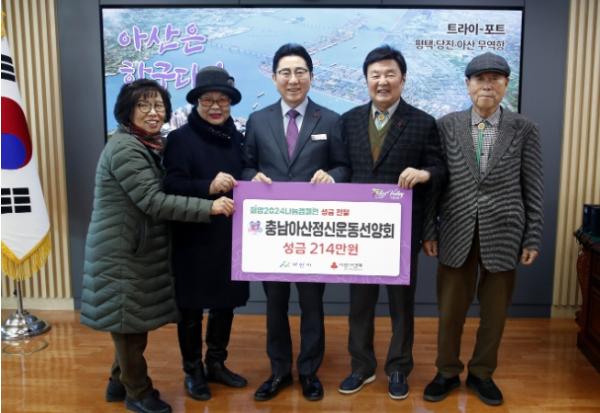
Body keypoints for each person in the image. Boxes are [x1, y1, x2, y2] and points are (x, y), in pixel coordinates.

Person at [80, 79, 234, 413]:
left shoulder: (147, 144)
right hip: (121, 253)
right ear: (127, 111)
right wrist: (209, 206)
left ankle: (118, 382)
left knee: (130, 323)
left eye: (158, 106)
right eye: (143, 106)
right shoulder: (124, 149)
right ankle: (138, 393)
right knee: (129, 327)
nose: (153, 113)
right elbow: (153, 201)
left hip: (134, 249)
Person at [422, 52, 543, 406]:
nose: (487, 85)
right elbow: (436, 183)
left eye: (495, 79)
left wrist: (533, 235)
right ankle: (446, 371)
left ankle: (481, 373)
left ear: (506, 84)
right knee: (450, 312)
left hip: (505, 232)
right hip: (455, 231)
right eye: (479, 79)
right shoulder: (447, 125)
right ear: (467, 84)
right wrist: (429, 230)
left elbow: (533, 186)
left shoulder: (524, 129)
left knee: (494, 314)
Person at [242, 43, 350, 402]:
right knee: (274, 304)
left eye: (300, 72)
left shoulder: (330, 120)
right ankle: (278, 371)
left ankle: (308, 371)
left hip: (312, 233)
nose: (293, 79)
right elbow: (246, 165)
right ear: (274, 78)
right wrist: (252, 177)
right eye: (285, 72)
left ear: (311, 77)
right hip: (271, 233)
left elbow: (343, 166)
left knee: (312, 303)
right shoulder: (258, 121)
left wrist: (332, 177)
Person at [337, 45, 446, 400]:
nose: (382, 81)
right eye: (375, 75)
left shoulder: (422, 122)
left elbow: (440, 168)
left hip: (401, 233)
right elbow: (342, 168)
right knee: (359, 304)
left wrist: (425, 173)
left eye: (389, 74)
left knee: (401, 306)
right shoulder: (349, 120)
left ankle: (399, 367)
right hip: (358, 232)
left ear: (403, 78)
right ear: (366, 80)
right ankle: (361, 366)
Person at [162, 66, 249, 401]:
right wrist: (207, 187)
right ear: (196, 102)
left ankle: (216, 363)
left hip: (230, 236)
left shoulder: (237, 138)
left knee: (225, 304)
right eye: (208, 100)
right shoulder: (180, 139)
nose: (215, 106)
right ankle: (193, 371)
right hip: (193, 237)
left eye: (222, 100)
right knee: (191, 309)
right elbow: (171, 185)